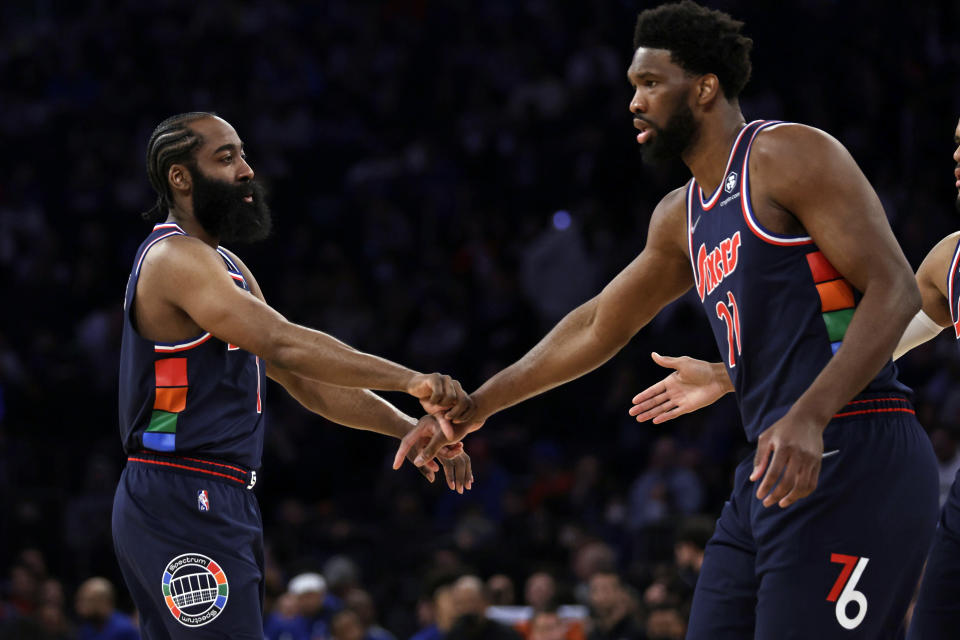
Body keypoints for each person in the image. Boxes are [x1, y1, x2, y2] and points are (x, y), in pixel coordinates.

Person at [398, 2, 939, 637]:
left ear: (706, 86)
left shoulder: (786, 154)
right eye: (632, 86)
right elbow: (599, 323)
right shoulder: (680, 216)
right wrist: (480, 406)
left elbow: (897, 289)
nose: (634, 102)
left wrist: (810, 414)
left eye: (651, 83)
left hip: (857, 447)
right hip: (774, 460)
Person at [113, 111, 474, 639]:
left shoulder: (225, 264)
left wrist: (408, 428)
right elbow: (283, 339)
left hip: (213, 492)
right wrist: (413, 380)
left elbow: (295, 372)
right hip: (181, 490)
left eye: (242, 153)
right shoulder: (173, 257)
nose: (246, 170)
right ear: (180, 177)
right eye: (226, 157)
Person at [630, 116, 960, 640]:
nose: (957, 156)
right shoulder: (950, 258)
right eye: (957, 140)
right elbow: (877, 338)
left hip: (865, 457)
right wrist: (729, 373)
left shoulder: (785, 161)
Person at [75, 577, 139, 640]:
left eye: (88, 601)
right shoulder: (87, 629)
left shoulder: (125, 629)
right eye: (80, 600)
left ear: (104, 602)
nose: (80, 606)